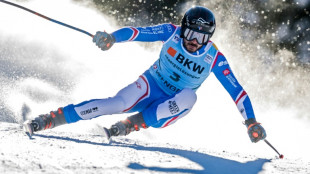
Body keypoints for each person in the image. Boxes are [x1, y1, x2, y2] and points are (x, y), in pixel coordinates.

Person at [23, 6, 266, 143]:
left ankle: (130, 126)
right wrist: (112, 38)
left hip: (174, 102)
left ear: (209, 37)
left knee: (190, 96)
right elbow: (138, 32)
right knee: (115, 103)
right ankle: (49, 119)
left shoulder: (214, 57)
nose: (194, 42)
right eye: (191, 34)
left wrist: (251, 122)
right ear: (183, 29)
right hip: (151, 83)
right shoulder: (171, 32)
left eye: (202, 37)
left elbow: (237, 92)